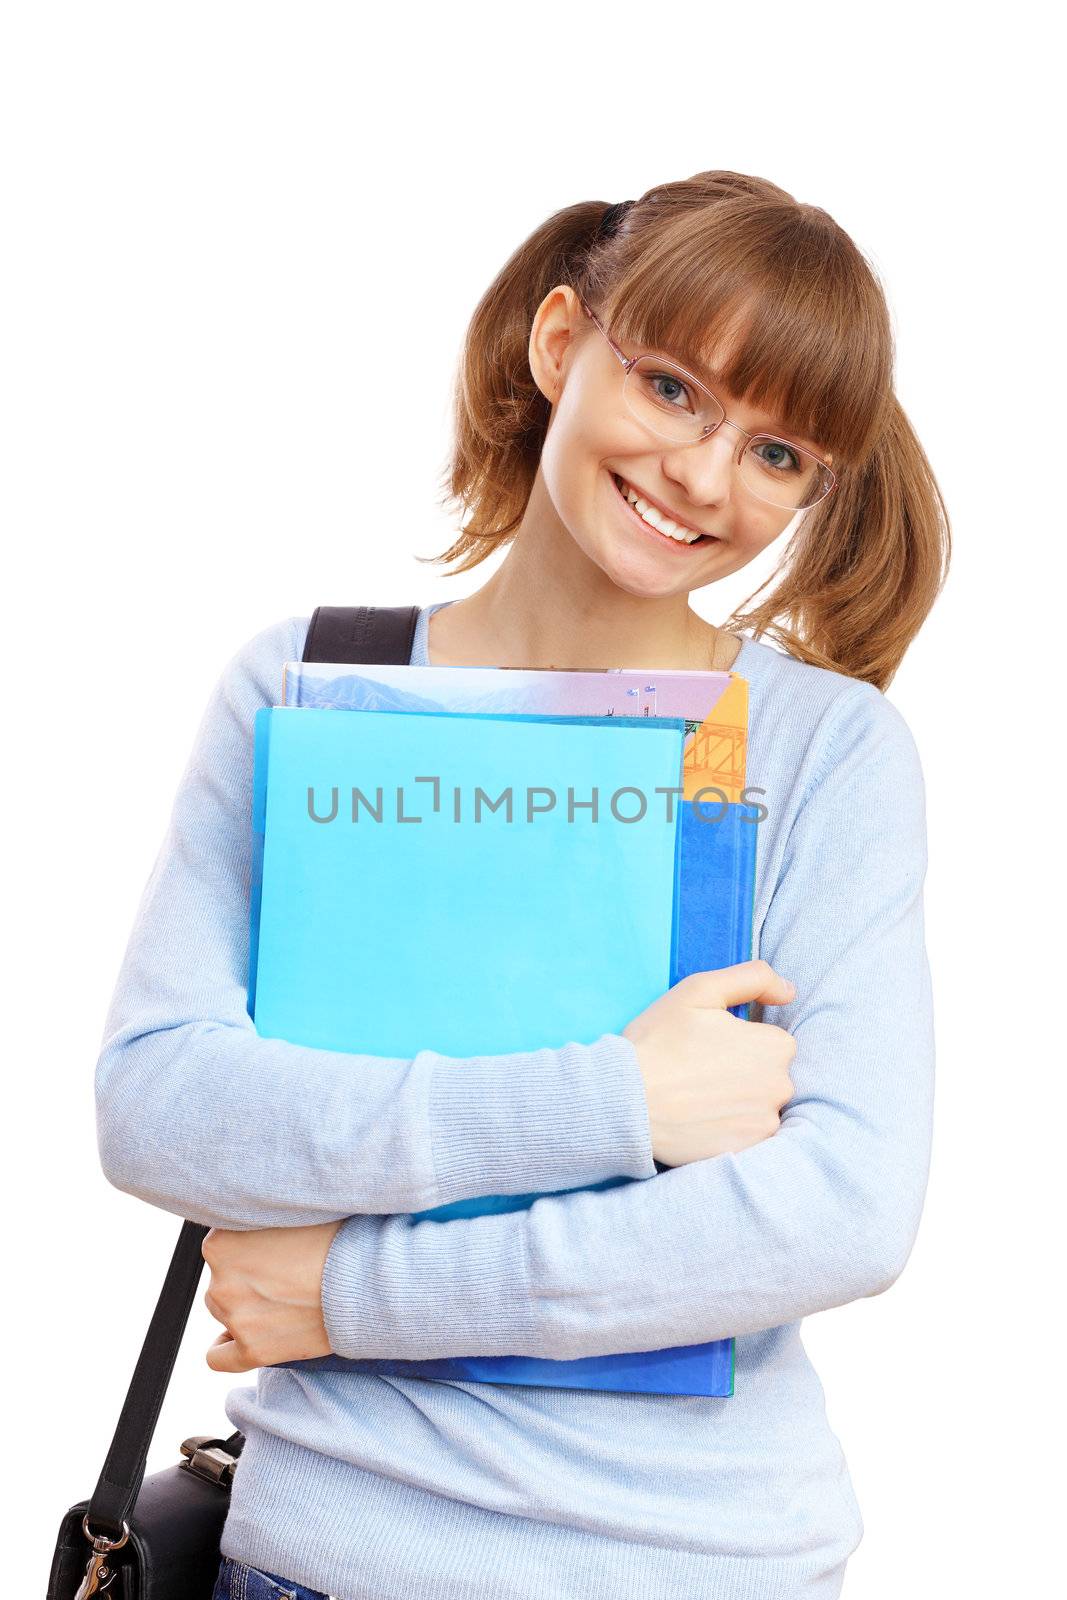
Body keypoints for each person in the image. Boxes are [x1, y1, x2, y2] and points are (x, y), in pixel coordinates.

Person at [94, 169, 949, 1600]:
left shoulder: (824, 752)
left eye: (778, 455)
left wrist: (352, 1295)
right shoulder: (310, 689)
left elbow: (843, 1204)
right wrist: (620, 1104)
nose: (703, 475)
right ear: (562, 343)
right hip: (329, 1555)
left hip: (701, 1565)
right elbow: (161, 1106)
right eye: (673, 388)